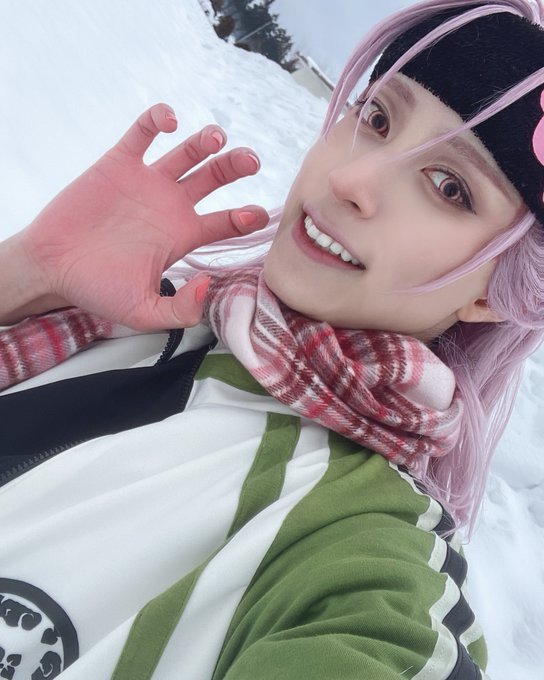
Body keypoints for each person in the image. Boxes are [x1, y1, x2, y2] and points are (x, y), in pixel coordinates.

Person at [1, 0, 543, 677]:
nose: (350, 179)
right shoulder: (137, 310)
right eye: (376, 119)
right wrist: (27, 274)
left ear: (496, 292)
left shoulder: (364, 548)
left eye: (448, 186)